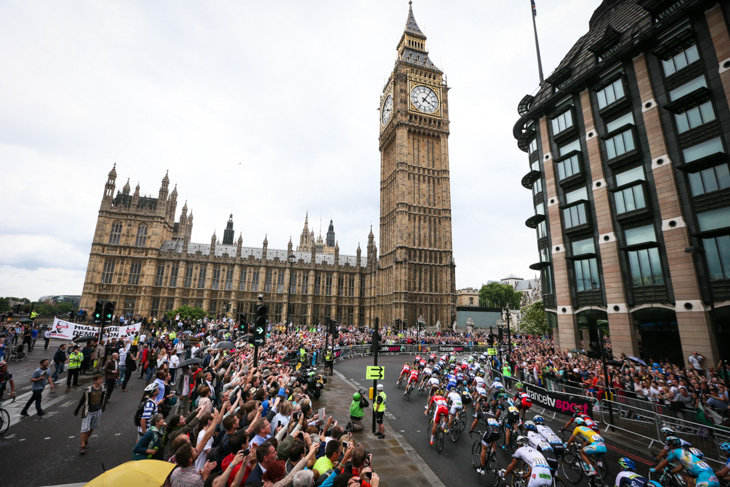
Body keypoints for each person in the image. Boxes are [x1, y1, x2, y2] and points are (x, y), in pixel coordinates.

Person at [652, 436, 719, 487]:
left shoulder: (674, 451)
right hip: (713, 477)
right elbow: (682, 464)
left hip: (704, 479)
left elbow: (664, 462)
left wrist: (655, 469)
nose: (669, 447)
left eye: (669, 445)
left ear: (671, 445)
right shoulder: (685, 451)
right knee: (690, 481)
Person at [74, 374, 106, 454]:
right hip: (88, 412)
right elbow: (82, 400)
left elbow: (103, 399)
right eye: (99, 380)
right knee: (84, 428)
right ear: (95, 381)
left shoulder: (103, 388)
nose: (101, 381)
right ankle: (83, 446)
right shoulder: (88, 390)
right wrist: (77, 410)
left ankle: (85, 439)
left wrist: (102, 408)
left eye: (101, 379)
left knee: (92, 427)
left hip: (97, 411)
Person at [474, 404, 500, 476]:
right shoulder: (492, 415)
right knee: (493, 440)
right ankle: (493, 453)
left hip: (489, 431)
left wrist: (471, 430)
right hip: (498, 431)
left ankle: (482, 468)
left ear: (482, 408)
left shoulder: (480, 413)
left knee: (484, 448)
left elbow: (474, 423)